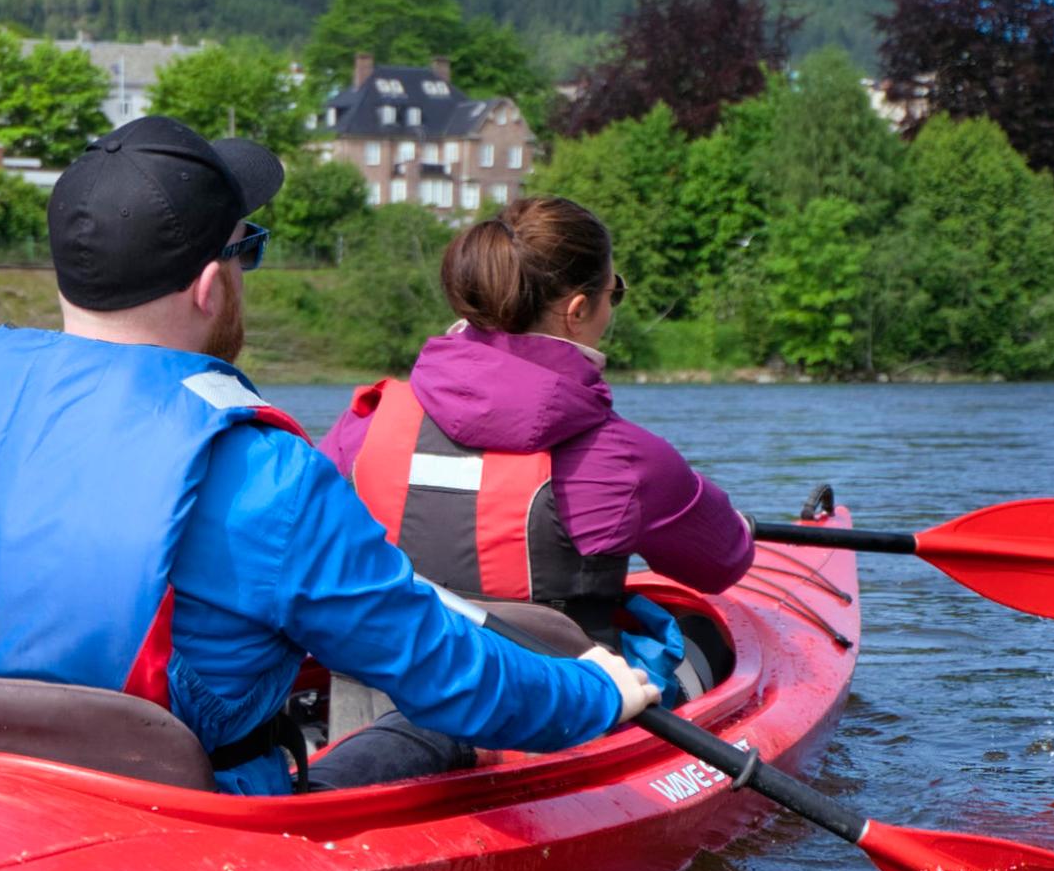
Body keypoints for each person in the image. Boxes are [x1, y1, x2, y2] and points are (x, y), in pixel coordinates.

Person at [0, 116, 658, 796]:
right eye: (245, 249)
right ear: (212, 284)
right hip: (187, 818)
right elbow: (453, 677)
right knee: (434, 732)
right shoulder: (267, 475)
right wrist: (600, 695)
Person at [318, 195, 754, 706]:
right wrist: (740, 527)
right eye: (615, 292)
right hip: (544, 723)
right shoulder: (624, 460)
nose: (613, 305)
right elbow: (724, 562)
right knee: (708, 636)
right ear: (576, 311)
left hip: (379, 700)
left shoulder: (367, 421)